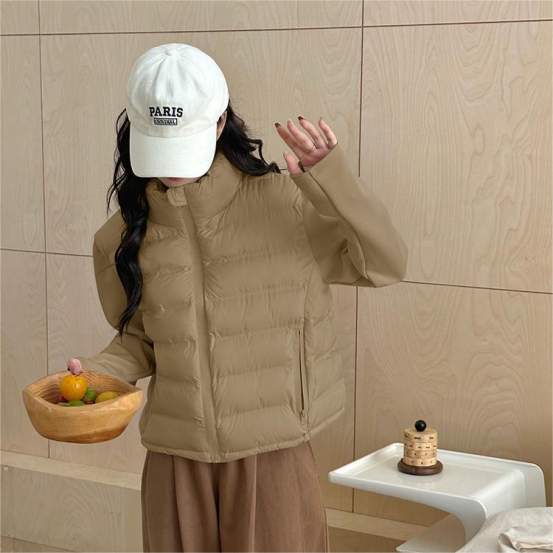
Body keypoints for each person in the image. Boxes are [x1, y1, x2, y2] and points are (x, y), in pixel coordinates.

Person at [67, 42, 408, 553]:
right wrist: (94, 375)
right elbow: (141, 339)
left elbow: (385, 264)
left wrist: (332, 178)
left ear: (221, 121)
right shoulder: (121, 236)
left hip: (273, 455)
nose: (171, 168)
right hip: (175, 459)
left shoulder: (286, 202)